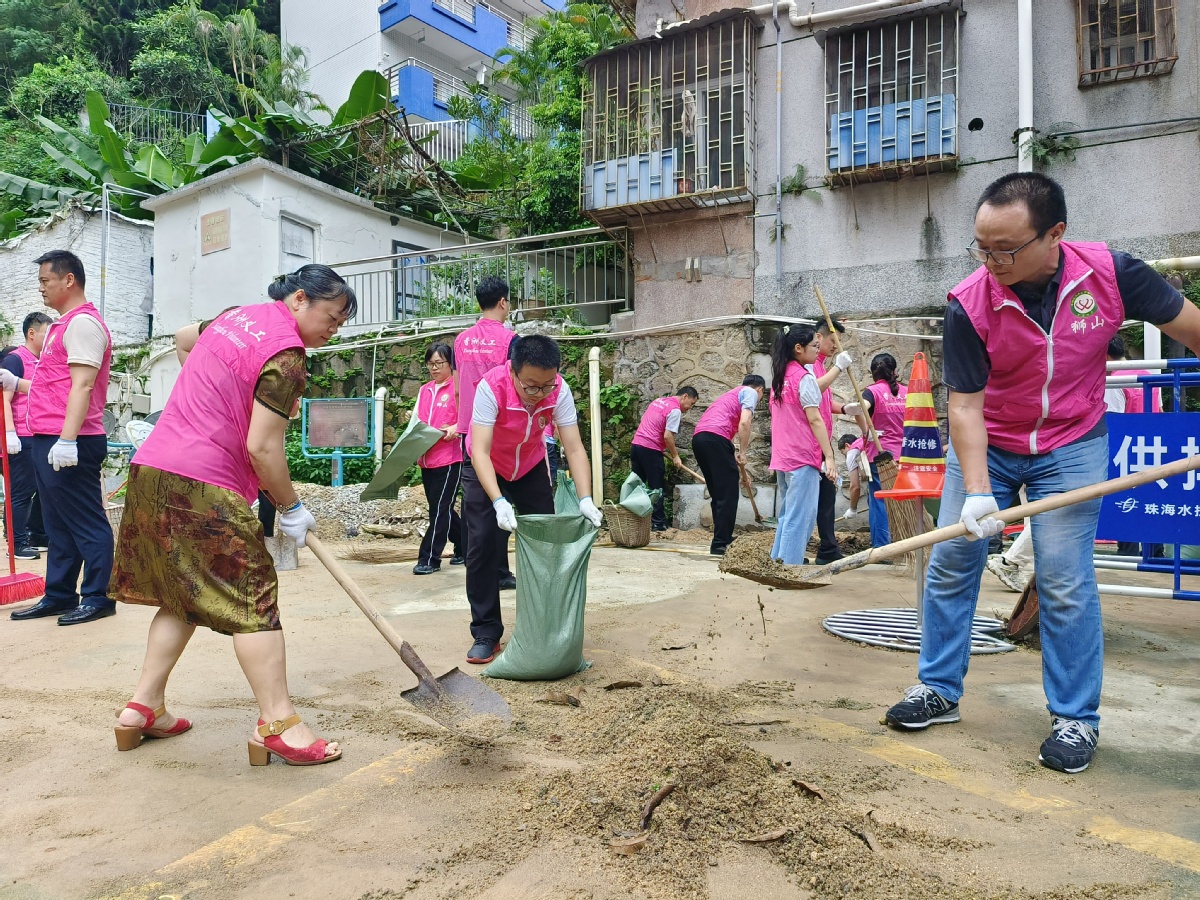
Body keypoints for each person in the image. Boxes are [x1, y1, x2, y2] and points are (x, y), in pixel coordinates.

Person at [884, 172, 1200, 775]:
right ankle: (938, 689)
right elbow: (965, 407)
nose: (991, 261)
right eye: (980, 247)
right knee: (953, 561)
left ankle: (1075, 718)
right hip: (991, 442)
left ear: (1055, 234)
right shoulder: (970, 302)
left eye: (1005, 249)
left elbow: (1192, 328)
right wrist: (977, 492)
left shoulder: (1110, 275)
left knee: (1064, 579)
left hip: (1072, 443)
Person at [110, 264, 356, 767]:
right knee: (253, 596)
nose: (335, 330)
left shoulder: (236, 317)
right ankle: (279, 724)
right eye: (332, 317)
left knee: (183, 593)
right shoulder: (287, 357)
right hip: (203, 481)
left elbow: (183, 340)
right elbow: (263, 449)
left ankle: (142, 707)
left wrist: (211, 402)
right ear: (300, 300)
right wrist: (290, 508)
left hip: (153, 468)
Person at [461, 334, 603, 664]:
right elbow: (479, 451)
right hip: (486, 467)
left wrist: (585, 498)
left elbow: (575, 447)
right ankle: (486, 632)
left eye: (547, 385)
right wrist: (497, 501)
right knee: (482, 543)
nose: (540, 394)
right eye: (531, 387)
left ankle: (546, 625)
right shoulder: (490, 387)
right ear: (512, 370)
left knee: (546, 542)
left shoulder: (560, 390)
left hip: (529, 466)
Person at [10, 251, 115, 626]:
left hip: (70, 439)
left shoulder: (84, 324)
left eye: (45, 281)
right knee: (56, 523)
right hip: (47, 437)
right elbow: (54, 384)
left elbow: (84, 384)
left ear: (68, 280)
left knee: (86, 520)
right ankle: (58, 594)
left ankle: (98, 596)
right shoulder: (62, 325)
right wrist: (17, 383)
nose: (41, 288)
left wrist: (68, 439)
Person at [453, 276, 517, 591]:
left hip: (468, 434)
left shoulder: (460, 341)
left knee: (475, 508)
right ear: (503, 302)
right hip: (499, 436)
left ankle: (481, 569)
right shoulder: (511, 340)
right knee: (502, 501)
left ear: (480, 302)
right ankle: (502, 571)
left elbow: (455, 390)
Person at [768, 325, 837, 564]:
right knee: (801, 517)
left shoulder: (780, 375)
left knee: (788, 514)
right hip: (802, 455)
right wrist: (829, 456)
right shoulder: (804, 377)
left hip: (783, 456)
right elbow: (815, 418)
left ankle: (776, 561)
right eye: (814, 347)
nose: (818, 351)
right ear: (798, 348)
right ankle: (789, 566)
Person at [690, 375, 767, 557]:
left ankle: (723, 537)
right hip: (715, 439)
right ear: (760, 390)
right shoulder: (750, 392)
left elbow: (724, 439)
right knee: (728, 494)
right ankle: (720, 543)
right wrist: (744, 451)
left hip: (701, 439)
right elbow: (745, 422)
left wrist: (738, 464)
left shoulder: (730, 395)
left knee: (719, 493)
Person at [2, 311, 53, 559]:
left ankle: (38, 535)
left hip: (38, 434)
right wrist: (10, 434)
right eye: (47, 333)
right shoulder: (14, 360)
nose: (51, 338)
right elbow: (3, 399)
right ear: (32, 333)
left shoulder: (41, 361)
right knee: (21, 491)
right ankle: (17, 543)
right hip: (19, 436)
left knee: (42, 488)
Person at [412, 342, 463, 575]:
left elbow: (469, 415)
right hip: (427, 458)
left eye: (439, 363)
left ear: (450, 363)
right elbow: (417, 422)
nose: (434, 368)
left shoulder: (458, 388)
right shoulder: (425, 390)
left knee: (440, 509)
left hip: (450, 457)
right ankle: (465, 546)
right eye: (430, 364)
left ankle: (430, 558)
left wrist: (456, 426)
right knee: (441, 507)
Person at [812, 319, 858, 563]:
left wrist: (845, 409)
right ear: (819, 337)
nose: (835, 347)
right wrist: (838, 368)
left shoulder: (821, 366)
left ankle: (827, 548)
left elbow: (824, 403)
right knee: (818, 498)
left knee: (825, 497)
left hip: (821, 443)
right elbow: (812, 394)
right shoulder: (813, 366)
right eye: (833, 341)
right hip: (813, 445)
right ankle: (825, 548)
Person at [855, 353, 909, 547]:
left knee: (879, 501)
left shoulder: (872, 392)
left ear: (872, 373)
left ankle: (881, 547)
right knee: (905, 501)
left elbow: (859, 410)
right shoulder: (908, 392)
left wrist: (867, 432)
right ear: (895, 371)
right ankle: (905, 544)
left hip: (880, 456)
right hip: (905, 456)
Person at [630, 385, 700, 532]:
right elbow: (668, 436)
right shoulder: (675, 410)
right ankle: (657, 523)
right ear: (685, 396)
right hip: (651, 450)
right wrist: (675, 456)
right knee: (657, 488)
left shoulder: (658, 401)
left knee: (637, 486)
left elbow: (647, 421)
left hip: (636, 446)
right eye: (691, 404)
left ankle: (632, 521)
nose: (689, 408)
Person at [838, 434, 865, 521]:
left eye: (843, 452)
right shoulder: (863, 441)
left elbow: (855, 487)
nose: (845, 456)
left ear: (847, 445)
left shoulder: (852, 452)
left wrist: (852, 509)